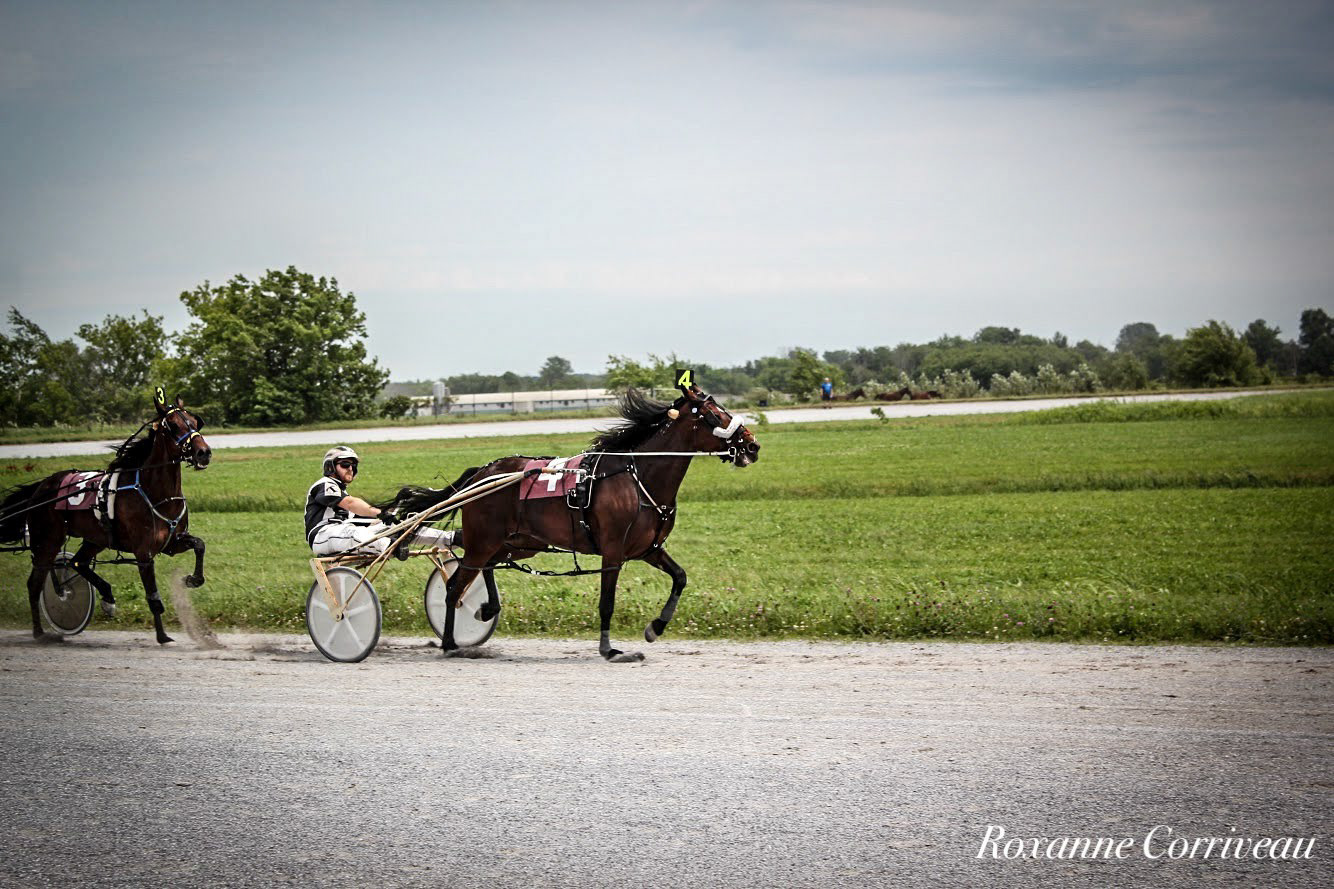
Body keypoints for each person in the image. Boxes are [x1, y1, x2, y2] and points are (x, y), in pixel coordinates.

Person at [305, 446, 459, 558]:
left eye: (353, 465)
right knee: (355, 533)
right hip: (322, 536)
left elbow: (367, 519)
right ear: (330, 467)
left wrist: (395, 507)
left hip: (344, 532)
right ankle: (393, 546)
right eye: (345, 464)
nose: (351, 468)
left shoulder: (341, 492)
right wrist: (379, 513)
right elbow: (350, 504)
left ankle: (450, 538)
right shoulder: (324, 484)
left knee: (399, 527)